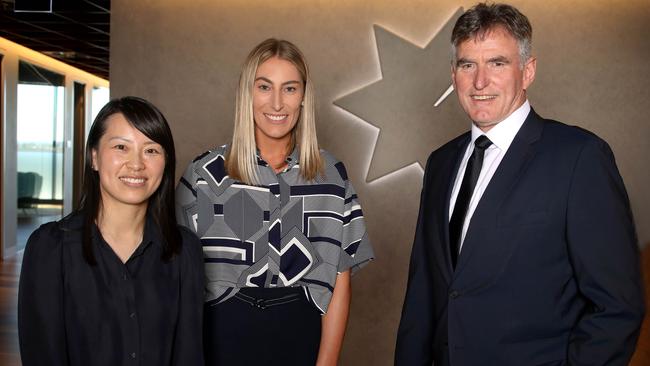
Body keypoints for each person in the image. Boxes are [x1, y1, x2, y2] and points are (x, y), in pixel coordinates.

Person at [395, 3, 644, 365]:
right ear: (453, 74)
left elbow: (618, 307)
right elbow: (423, 297)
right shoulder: (441, 162)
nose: (480, 81)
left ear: (527, 71)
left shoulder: (579, 158)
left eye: (497, 63)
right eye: (468, 65)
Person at [176, 38, 374, 365]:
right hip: (219, 340)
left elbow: (340, 280)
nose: (277, 103)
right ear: (247, 94)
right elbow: (177, 282)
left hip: (299, 337)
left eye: (290, 89)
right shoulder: (203, 175)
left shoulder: (331, 177)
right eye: (265, 87)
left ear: (304, 98)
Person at [18, 97, 205, 366]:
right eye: (121, 147)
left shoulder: (184, 250)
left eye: (151, 150)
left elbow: (189, 355)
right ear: (94, 157)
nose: (137, 164)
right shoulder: (49, 248)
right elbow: (42, 354)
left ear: (165, 163)